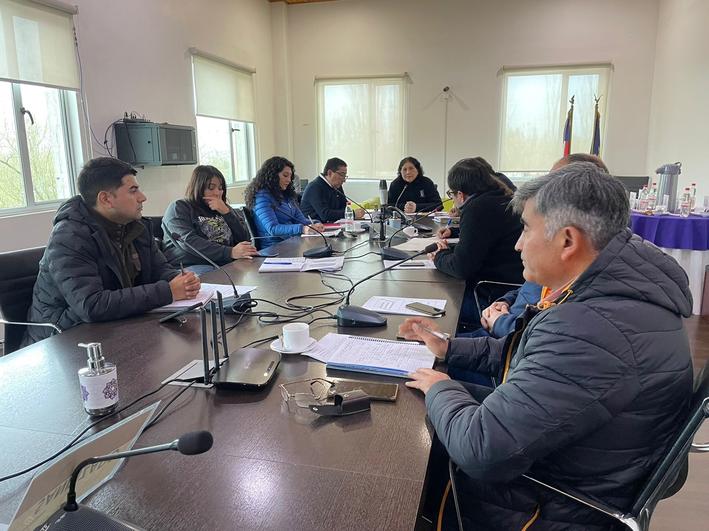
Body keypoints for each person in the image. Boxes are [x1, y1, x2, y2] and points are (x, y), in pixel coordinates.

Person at [400, 162, 693, 529]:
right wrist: (449, 348)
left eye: (526, 229)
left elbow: (481, 449)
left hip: (549, 506)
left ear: (568, 241)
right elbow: (531, 354)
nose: (518, 244)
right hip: (574, 467)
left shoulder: (592, 330)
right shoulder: (611, 295)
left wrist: (441, 387)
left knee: (397, 470)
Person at [22, 157, 201, 346]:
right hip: (61, 340)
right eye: (133, 190)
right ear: (106, 199)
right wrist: (168, 291)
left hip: (117, 325)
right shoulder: (69, 237)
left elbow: (159, 269)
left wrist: (181, 281)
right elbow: (92, 305)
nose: (142, 197)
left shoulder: (135, 226)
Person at [475, 153, 610, 339]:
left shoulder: (572, 276)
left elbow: (536, 337)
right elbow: (528, 290)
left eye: (553, 182)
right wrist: (506, 301)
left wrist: (500, 323)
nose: (519, 245)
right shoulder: (551, 262)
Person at [431, 157, 524, 327]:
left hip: (491, 295)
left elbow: (461, 268)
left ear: (460, 194)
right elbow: (488, 236)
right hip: (514, 289)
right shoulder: (501, 196)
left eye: (451, 194)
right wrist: (455, 234)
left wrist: (439, 256)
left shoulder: (477, 208)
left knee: (437, 302)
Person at [162, 165, 258, 274]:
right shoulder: (179, 207)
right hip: (193, 265)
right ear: (198, 187)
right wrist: (230, 252)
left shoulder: (223, 207)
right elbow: (189, 241)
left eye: (220, 188)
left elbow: (244, 240)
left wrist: (227, 213)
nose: (217, 193)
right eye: (211, 188)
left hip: (225, 263)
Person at [245, 156, 324, 249]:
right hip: (273, 248)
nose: (289, 180)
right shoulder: (261, 196)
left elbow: (301, 220)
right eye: (285, 176)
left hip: (292, 243)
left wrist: (315, 224)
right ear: (272, 175)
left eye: (290, 176)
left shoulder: (287, 195)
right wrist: (302, 229)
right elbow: (273, 228)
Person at [299, 157, 365, 223]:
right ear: (330, 173)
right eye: (342, 175)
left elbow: (344, 206)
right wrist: (352, 214)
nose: (344, 180)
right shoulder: (314, 187)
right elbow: (325, 215)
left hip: (333, 224)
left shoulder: (336, 186)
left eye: (345, 176)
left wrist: (350, 212)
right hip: (315, 226)